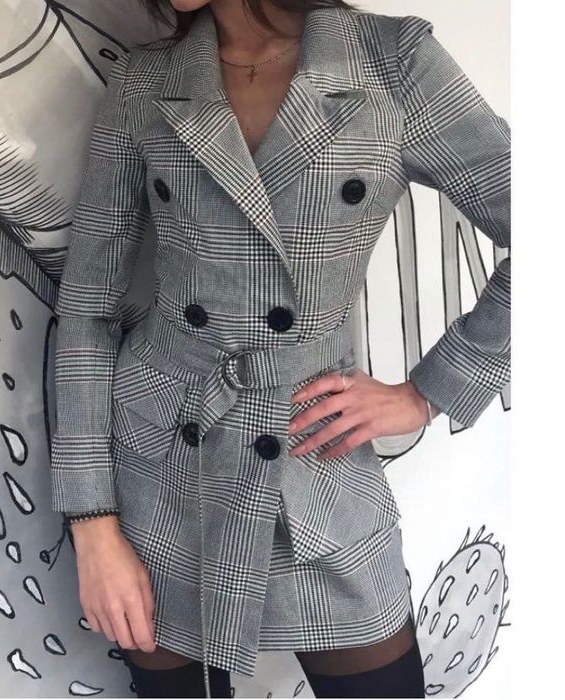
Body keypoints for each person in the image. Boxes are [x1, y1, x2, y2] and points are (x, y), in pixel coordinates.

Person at [50, 0, 510, 697]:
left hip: (312, 458)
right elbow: (87, 309)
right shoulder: (146, 81)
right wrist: (92, 525)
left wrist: (429, 391)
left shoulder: (392, 63)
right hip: (162, 471)